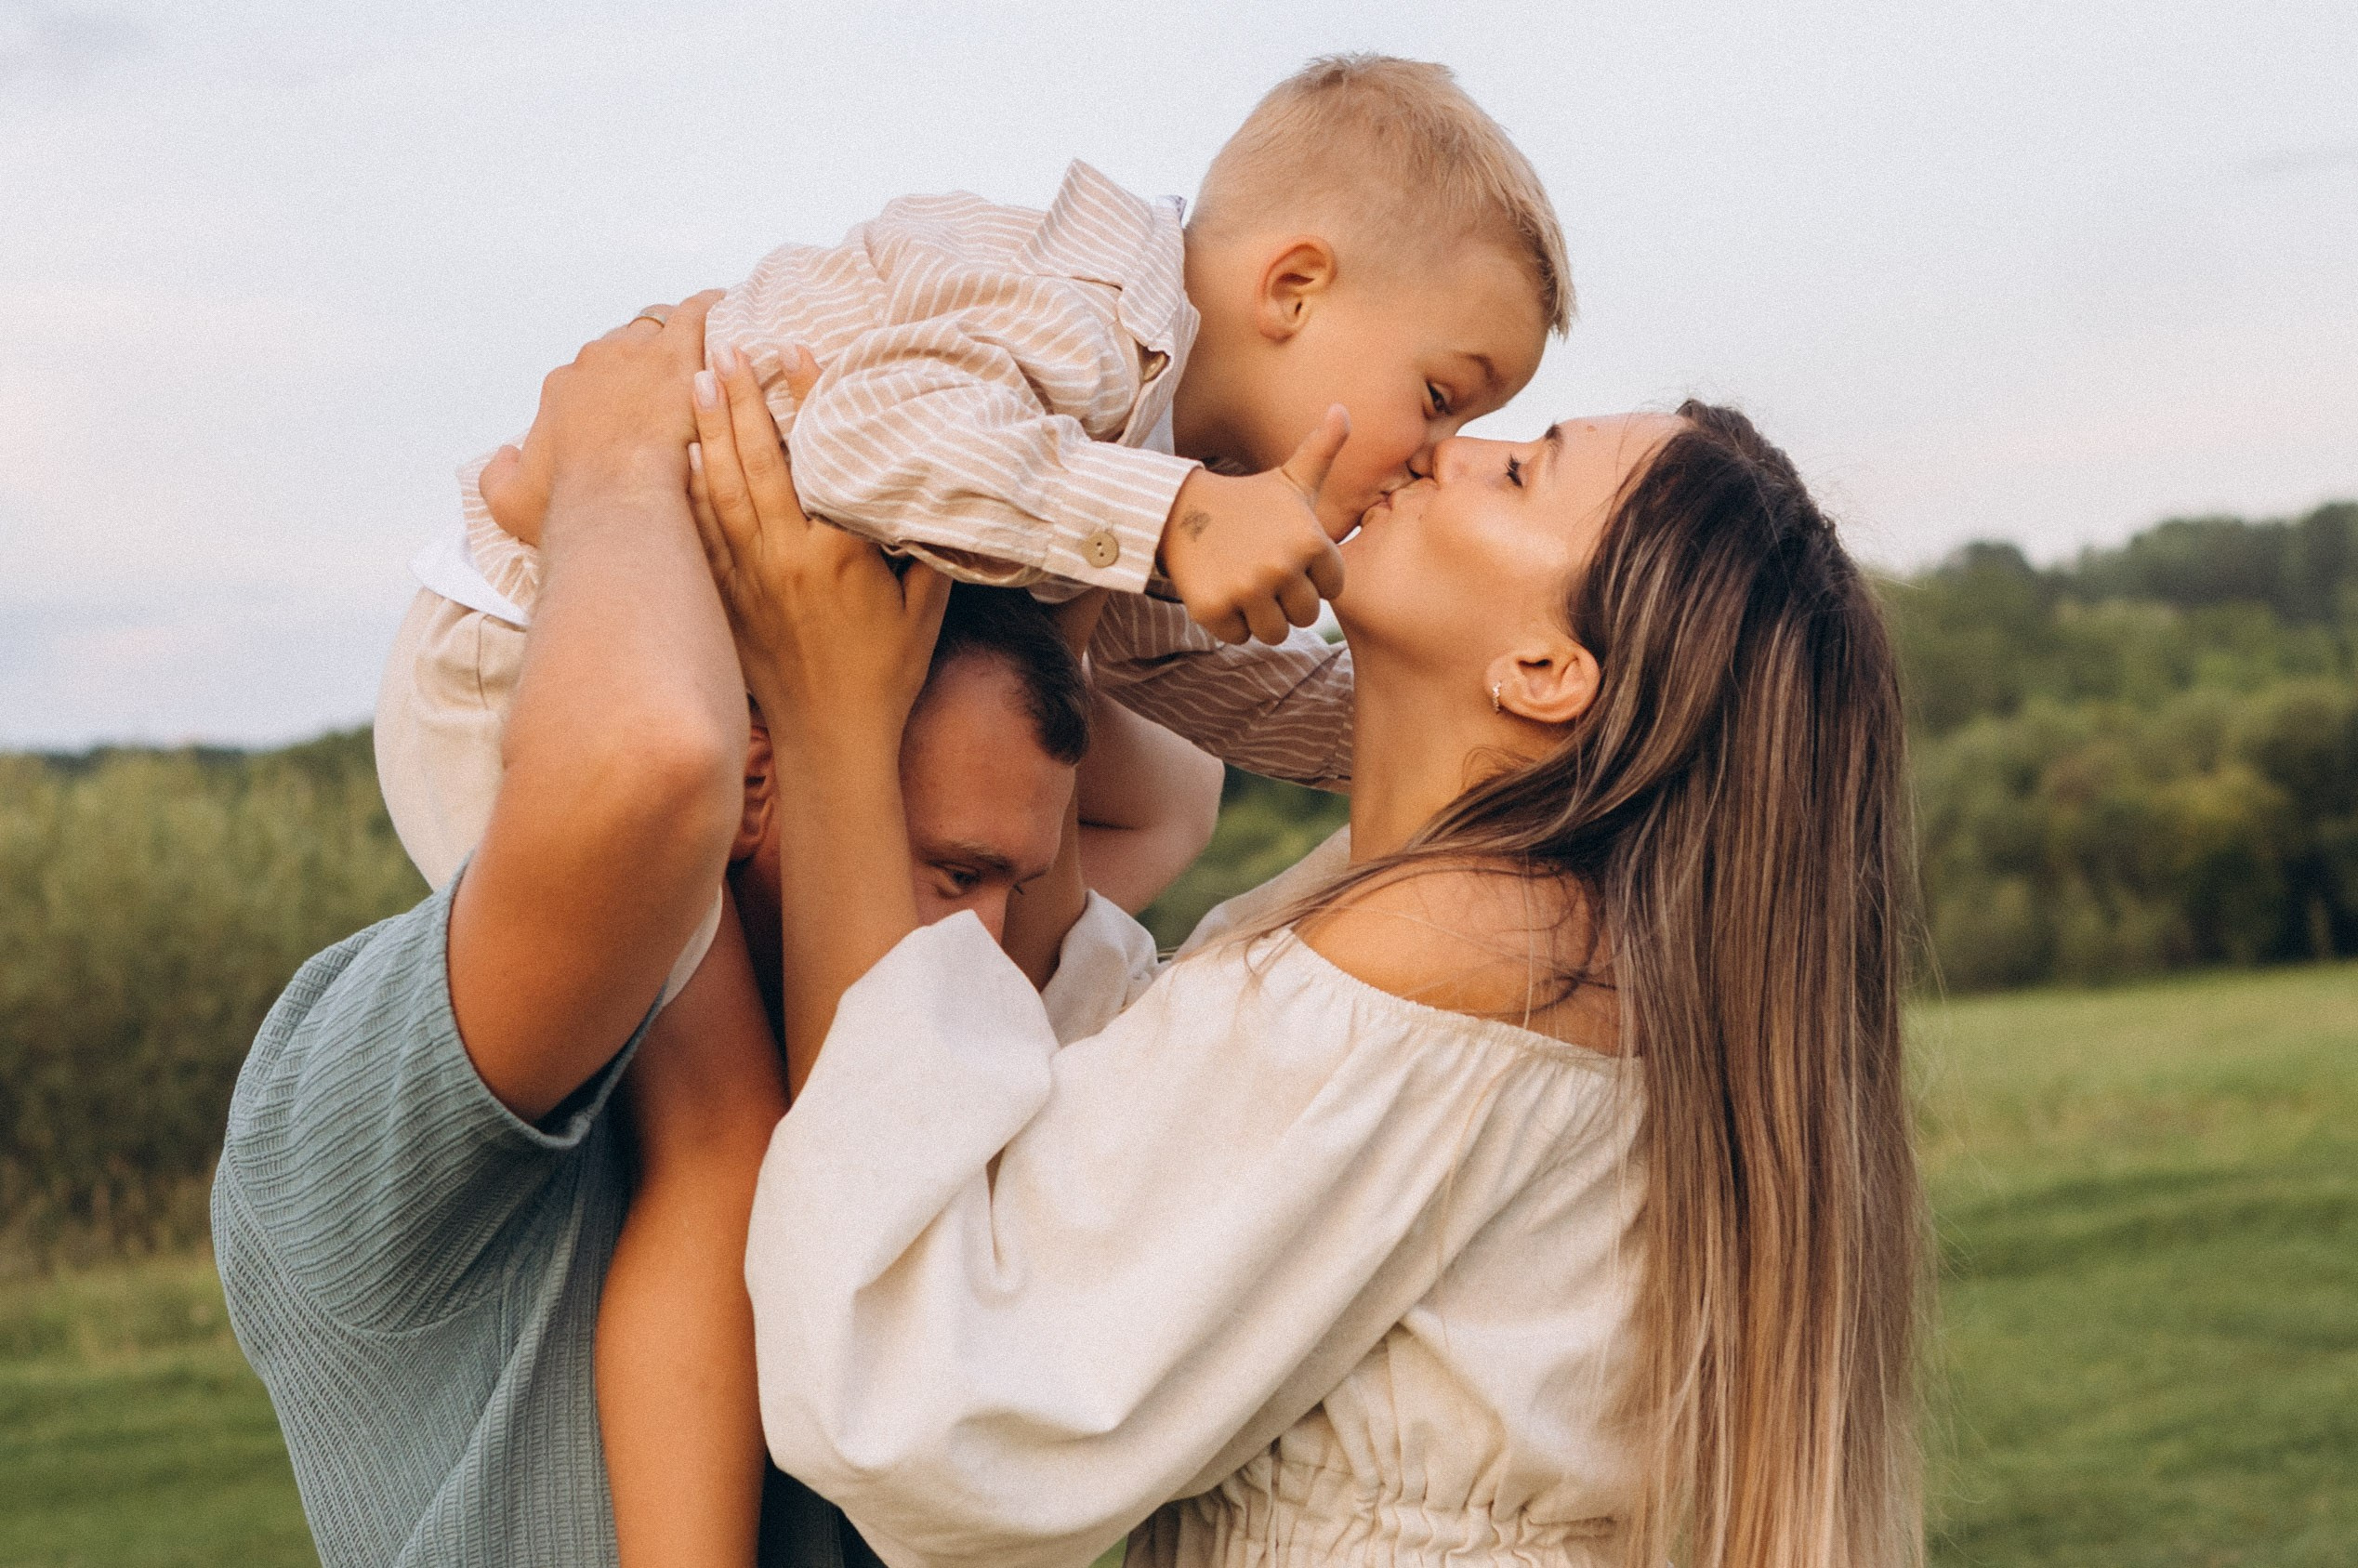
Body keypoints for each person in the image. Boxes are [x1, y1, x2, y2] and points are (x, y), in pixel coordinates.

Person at [373, 53, 1568, 1565]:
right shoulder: (1071, 312)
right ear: (1294, 286)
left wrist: (1429, 723)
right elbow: (874, 447)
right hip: (530, 655)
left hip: (700, 669)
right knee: (725, 1133)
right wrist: (1179, 520)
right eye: (1442, 396)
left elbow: (1198, 673)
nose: (1427, 456)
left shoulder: (1126, 460)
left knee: (1054, 881)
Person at [688, 360, 1928, 1567]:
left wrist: (833, 716)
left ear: (1545, 673)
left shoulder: (1467, 945)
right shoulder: (1476, 923)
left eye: (1514, 475)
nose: (1446, 446)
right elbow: (1115, 1137)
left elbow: (935, 1396)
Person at [212, 305, 1173, 1568]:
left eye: (1016, 884)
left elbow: (1161, 804)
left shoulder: (916, 1128)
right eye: (953, 873)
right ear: (752, 781)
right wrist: (612, 462)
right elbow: (648, 762)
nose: (996, 956)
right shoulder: (356, 1114)